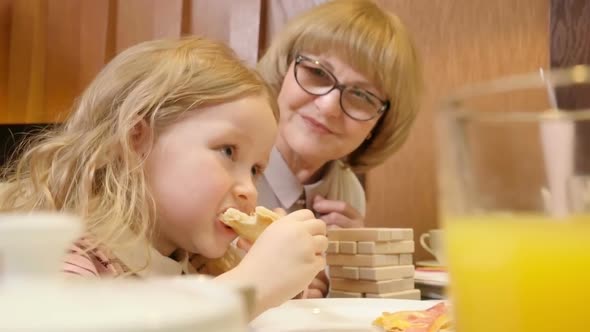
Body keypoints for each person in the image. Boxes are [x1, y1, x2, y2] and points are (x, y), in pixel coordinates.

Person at [0, 37, 327, 318]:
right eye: (227, 151)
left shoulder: (198, 266)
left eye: (256, 170)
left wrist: (283, 283)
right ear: (135, 141)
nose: (248, 190)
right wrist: (252, 284)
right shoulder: (70, 258)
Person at [256, 0, 423, 297]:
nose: (328, 106)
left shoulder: (349, 192)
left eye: (361, 95)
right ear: (284, 70)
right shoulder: (228, 163)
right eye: (317, 73)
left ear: (379, 124)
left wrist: (353, 262)